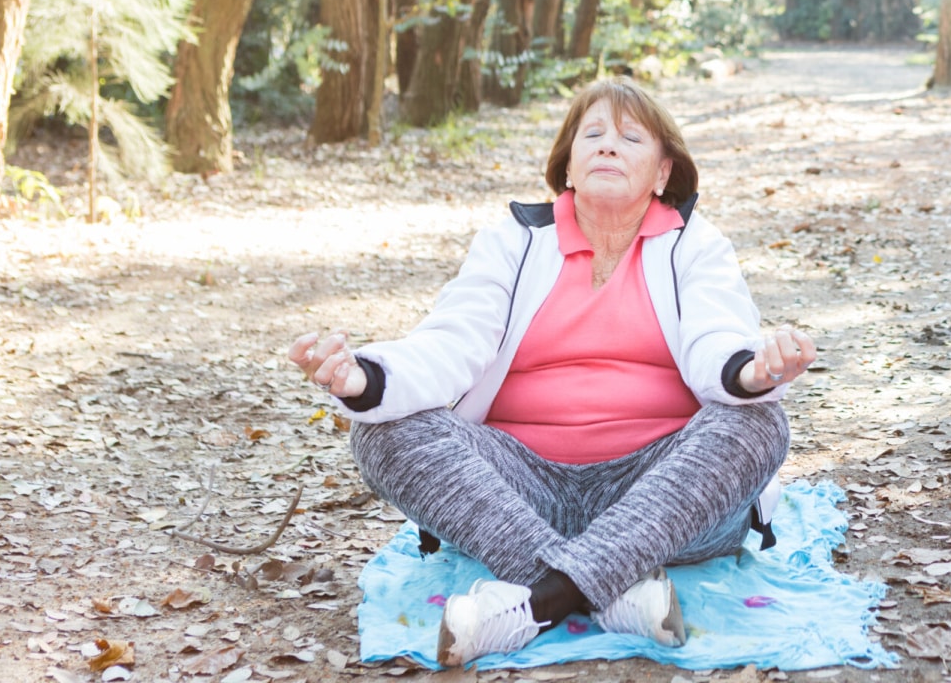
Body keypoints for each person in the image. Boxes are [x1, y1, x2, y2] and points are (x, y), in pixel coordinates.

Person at [288, 78, 817, 668]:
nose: (607, 147)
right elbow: (451, 340)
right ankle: (614, 594)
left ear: (664, 172)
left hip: (662, 492)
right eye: (591, 134)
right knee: (381, 428)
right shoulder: (514, 241)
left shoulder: (696, 245)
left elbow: (718, 338)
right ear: (567, 165)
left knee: (759, 420)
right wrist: (366, 378)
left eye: (629, 137)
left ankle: (538, 603)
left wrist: (753, 370)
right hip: (519, 493)